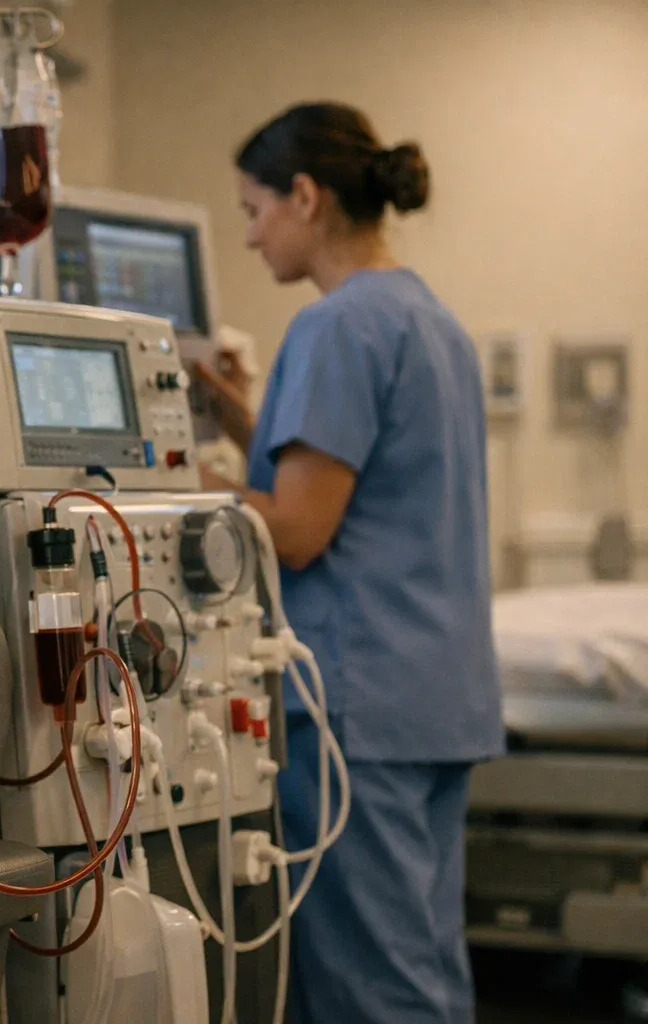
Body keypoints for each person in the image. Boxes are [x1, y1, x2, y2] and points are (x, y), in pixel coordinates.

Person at [194, 103, 503, 1024]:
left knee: (371, 992)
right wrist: (243, 420)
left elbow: (297, 530)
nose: (251, 237)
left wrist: (173, 480)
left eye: (255, 211)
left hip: (355, 706)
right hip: (433, 698)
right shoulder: (427, 318)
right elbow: (357, 482)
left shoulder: (336, 327)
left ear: (305, 195)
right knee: (423, 968)